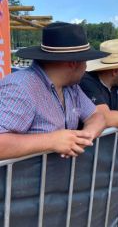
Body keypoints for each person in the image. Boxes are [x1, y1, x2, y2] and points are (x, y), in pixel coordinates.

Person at [0, 22, 108, 160]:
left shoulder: (72, 88)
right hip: (21, 181)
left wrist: (85, 136)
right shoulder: (21, 87)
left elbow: (97, 116)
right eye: (85, 61)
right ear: (73, 63)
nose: (86, 67)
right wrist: (51, 141)